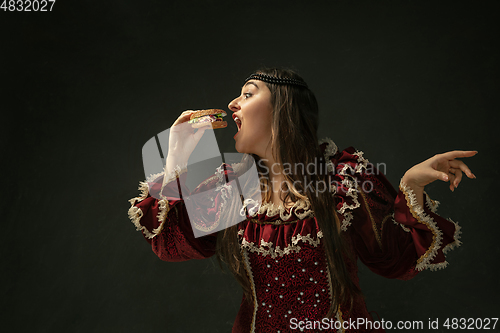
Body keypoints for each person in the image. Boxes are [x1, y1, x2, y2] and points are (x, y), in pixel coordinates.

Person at [128, 68, 476, 333]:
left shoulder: (346, 180)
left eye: (248, 94)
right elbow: (172, 246)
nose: (232, 104)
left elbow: (396, 262)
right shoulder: (232, 187)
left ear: (283, 107)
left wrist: (411, 185)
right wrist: (177, 154)